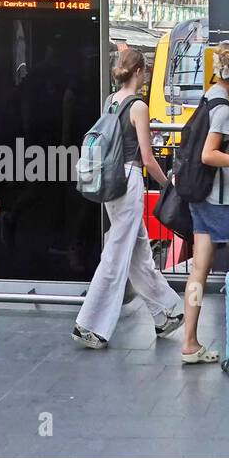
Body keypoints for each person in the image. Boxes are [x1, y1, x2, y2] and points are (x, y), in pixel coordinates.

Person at [71, 50, 184, 349]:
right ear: (138, 71)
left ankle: (166, 312)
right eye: (145, 71)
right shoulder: (139, 107)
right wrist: (167, 185)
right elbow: (147, 158)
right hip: (129, 182)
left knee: (139, 254)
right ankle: (89, 324)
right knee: (116, 254)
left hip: (108, 180)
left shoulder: (110, 101)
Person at [180, 40, 229, 364]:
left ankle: (189, 342)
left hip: (201, 198)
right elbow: (208, 154)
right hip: (222, 200)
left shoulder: (208, 97)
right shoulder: (223, 108)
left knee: (199, 270)